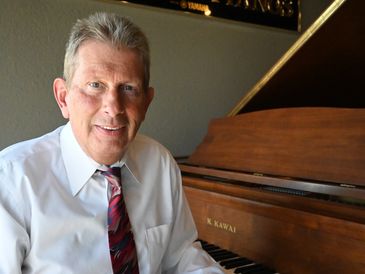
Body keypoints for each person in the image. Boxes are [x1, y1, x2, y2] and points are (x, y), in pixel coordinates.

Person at [0, 12, 223, 274]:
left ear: (146, 102)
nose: (114, 108)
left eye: (128, 88)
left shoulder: (160, 163)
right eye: (95, 85)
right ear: (63, 98)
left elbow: (183, 255)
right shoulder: (12, 180)